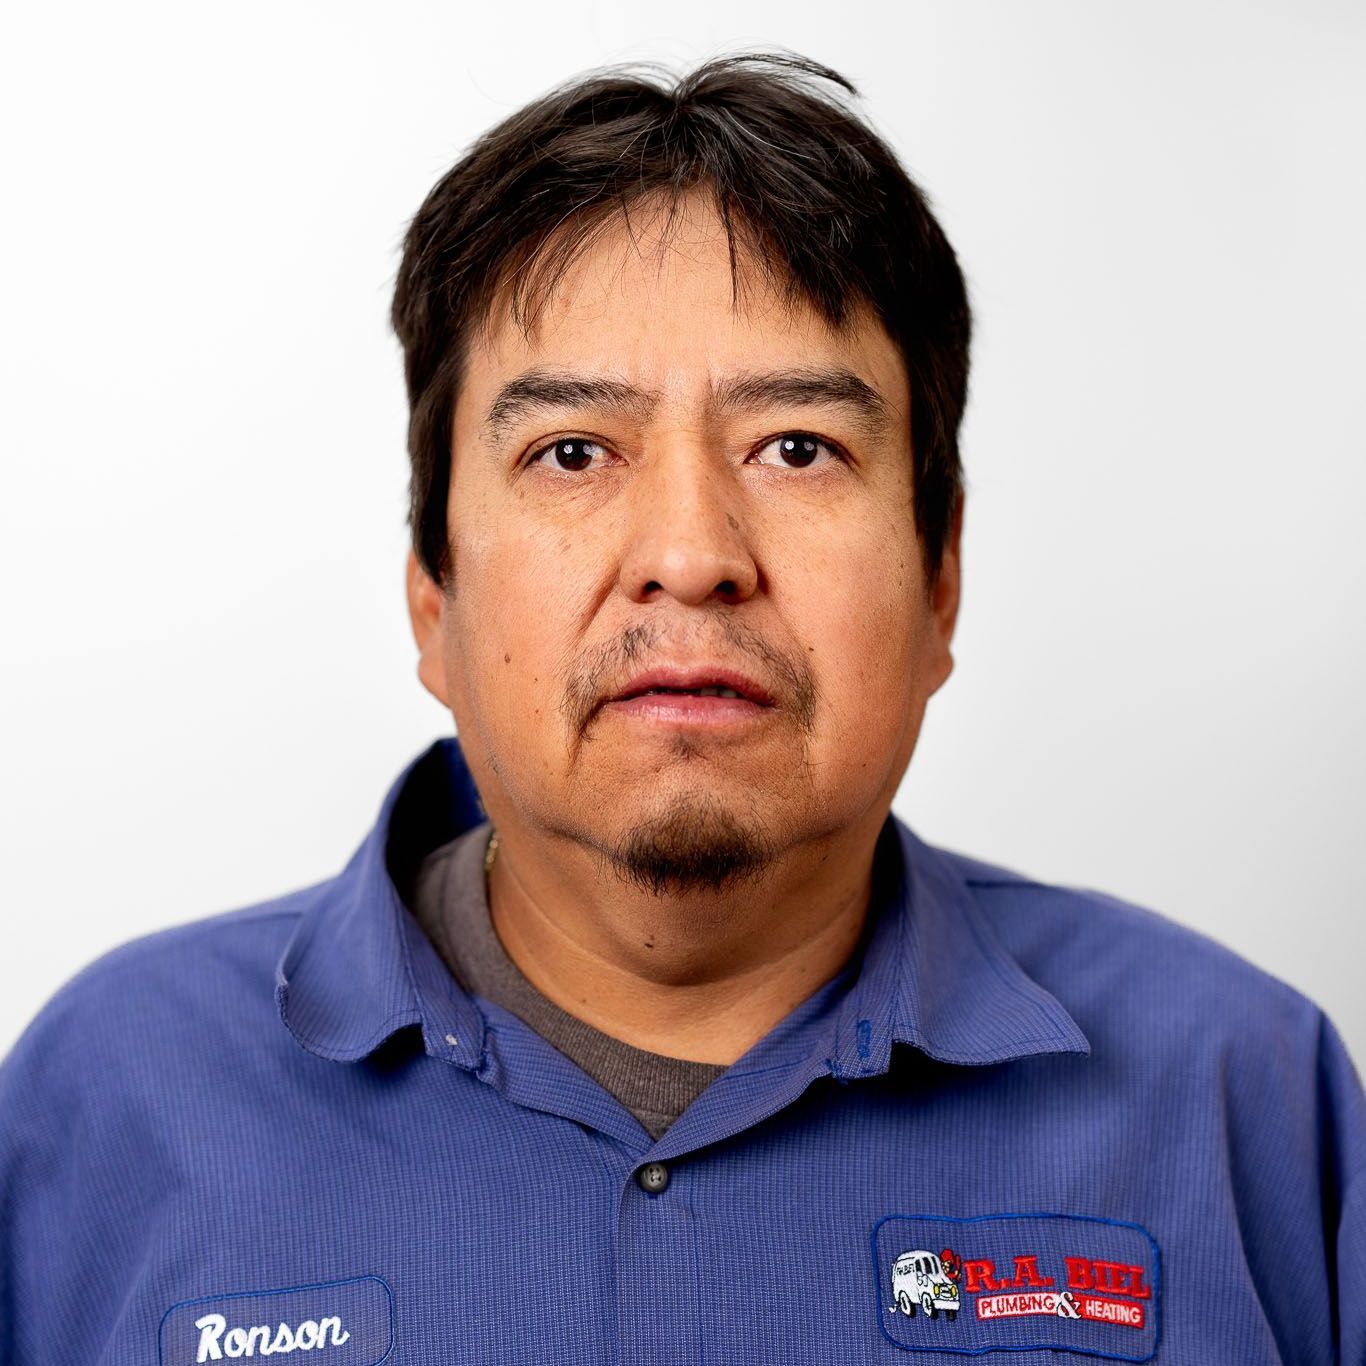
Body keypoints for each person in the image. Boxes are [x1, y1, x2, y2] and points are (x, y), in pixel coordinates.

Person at [1, 50, 1362, 1366]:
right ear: (433, 596)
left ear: (940, 580)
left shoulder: (1243, 1097)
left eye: (795, 447)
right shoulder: (111, 1096)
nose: (692, 549)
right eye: (573, 450)